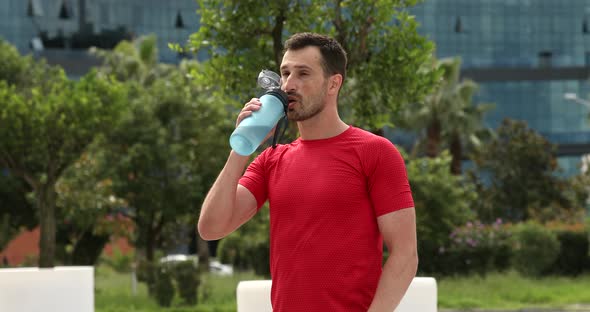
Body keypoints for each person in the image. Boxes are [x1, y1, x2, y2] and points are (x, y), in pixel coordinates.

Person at [198, 32, 417, 312]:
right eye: (285, 73)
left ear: (333, 84)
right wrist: (242, 146)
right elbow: (211, 228)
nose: (289, 84)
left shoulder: (375, 152)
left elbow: (405, 254)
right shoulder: (271, 160)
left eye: (303, 74)